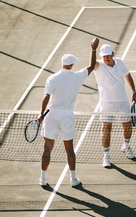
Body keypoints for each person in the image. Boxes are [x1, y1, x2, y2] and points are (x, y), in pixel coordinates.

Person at [38, 37, 99, 187]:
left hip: (51, 115)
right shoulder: (77, 76)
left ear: (62, 65)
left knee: (47, 149)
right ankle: (73, 180)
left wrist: (41, 114)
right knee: (70, 150)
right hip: (67, 116)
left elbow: (46, 96)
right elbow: (92, 65)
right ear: (72, 65)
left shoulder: (52, 78)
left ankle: (43, 179)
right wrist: (93, 48)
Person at [93, 44, 136, 168]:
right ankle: (106, 155)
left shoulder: (120, 62)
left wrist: (134, 91)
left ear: (113, 54)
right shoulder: (98, 65)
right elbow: (91, 62)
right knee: (106, 128)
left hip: (122, 101)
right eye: (104, 56)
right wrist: (93, 49)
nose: (106, 58)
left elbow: (127, 75)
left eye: (108, 55)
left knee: (128, 126)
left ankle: (126, 145)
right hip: (107, 103)